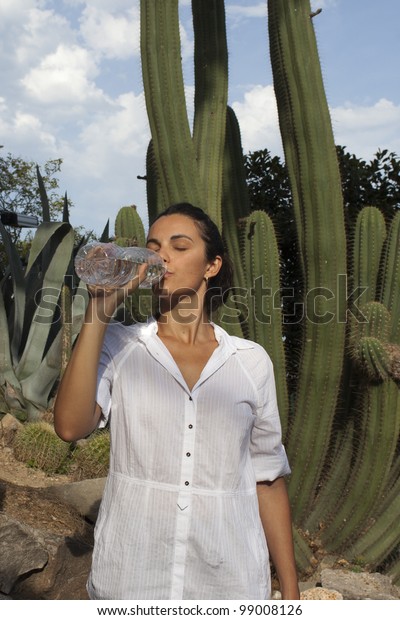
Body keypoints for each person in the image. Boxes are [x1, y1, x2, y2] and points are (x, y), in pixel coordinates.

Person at [54, 202, 299, 601]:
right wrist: (99, 312)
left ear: (211, 266)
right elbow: (69, 426)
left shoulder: (250, 361)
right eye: (154, 245)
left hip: (229, 581)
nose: (161, 255)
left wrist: (289, 588)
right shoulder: (119, 345)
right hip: (131, 578)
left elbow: (267, 478)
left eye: (179, 246)